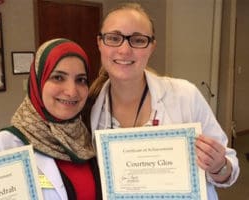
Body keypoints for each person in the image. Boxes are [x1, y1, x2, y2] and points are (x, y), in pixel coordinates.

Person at [87, 2, 239, 200]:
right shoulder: (89, 108)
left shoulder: (185, 95)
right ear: (100, 43)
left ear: (151, 47)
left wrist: (219, 166)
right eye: (114, 38)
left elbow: (229, 168)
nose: (124, 50)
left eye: (138, 40)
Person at [0, 38, 102, 200]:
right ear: (38, 82)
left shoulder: (88, 138)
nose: (72, 91)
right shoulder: (3, 148)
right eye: (58, 77)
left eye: (81, 80)